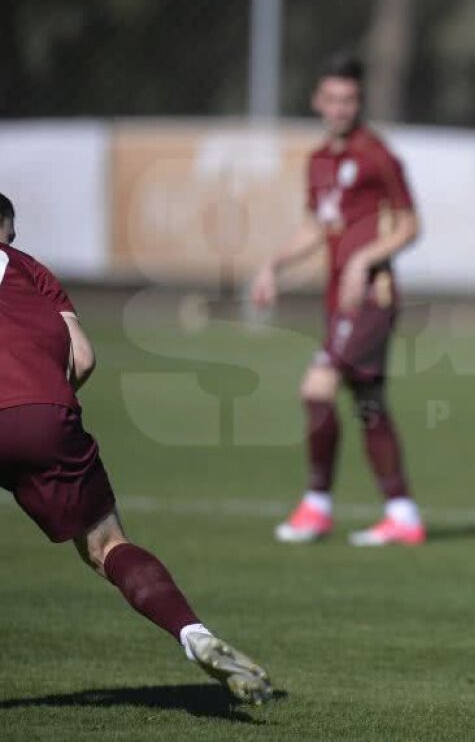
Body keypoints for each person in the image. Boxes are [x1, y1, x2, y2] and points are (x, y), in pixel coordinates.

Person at [0, 194, 272, 704]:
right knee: (107, 547)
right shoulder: (32, 271)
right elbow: (82, 359)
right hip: (45, 414)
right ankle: (195, 635)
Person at [252, 53, 424, 547]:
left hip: (371, 296)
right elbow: (316, 225)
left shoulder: (377, 155)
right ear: (317, 101)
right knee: (369, 403)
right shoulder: (319, 160)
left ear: (359, 102)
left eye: (349, 99)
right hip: (339, 300)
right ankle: (402, 513)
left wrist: (361, 260)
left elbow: (410, 225)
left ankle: (317, 503)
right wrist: (273, 265)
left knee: (317, 387)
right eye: (331, 99)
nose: (340, 108)